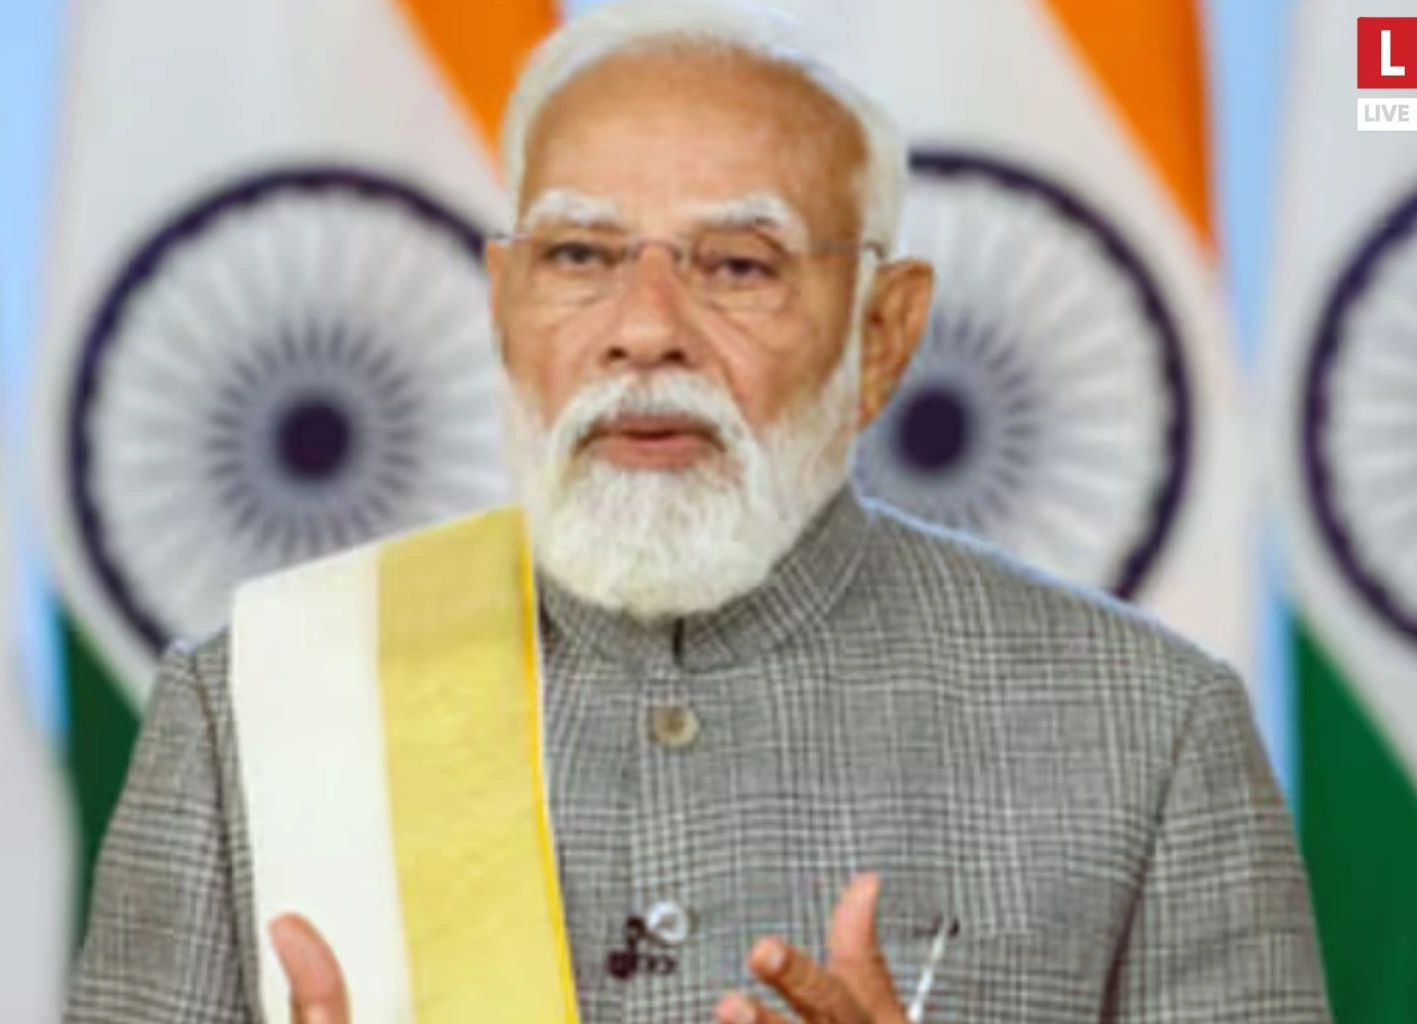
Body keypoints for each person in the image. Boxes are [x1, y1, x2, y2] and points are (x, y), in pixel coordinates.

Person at [65, 3, 1329, 1022]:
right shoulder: (256, 703)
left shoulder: (1146, 728)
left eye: (737, 264)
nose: (645, 330)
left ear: (882, 334)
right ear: (502, 304)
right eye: (578, 257)